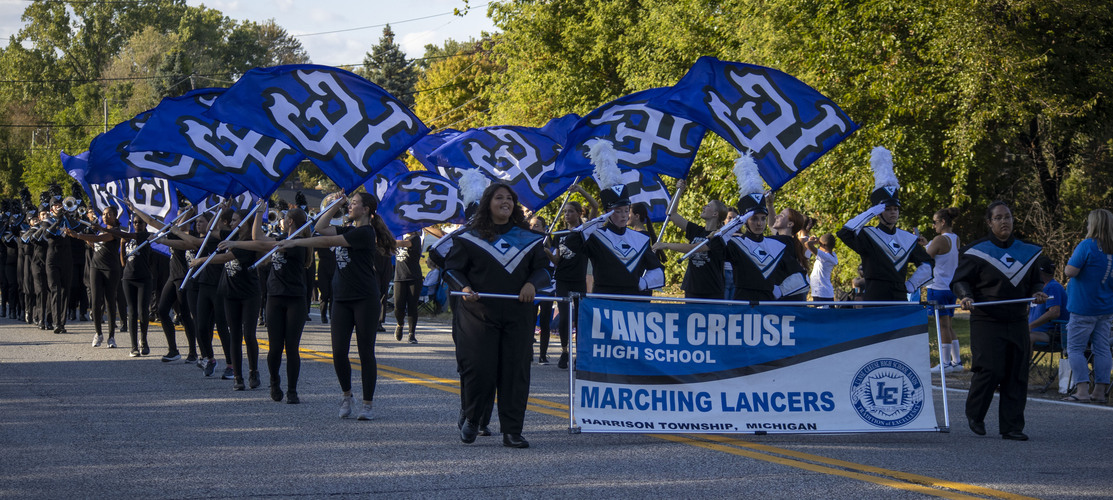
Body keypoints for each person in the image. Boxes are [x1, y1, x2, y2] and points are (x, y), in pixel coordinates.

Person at [444, 183, 550, 448]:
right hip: (478, 314)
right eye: (499, 198)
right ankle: (472, 418)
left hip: (518, 313)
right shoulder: (470, 236)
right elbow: (452, 269)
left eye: (510, 199)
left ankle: (512, 431)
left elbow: (544, 270)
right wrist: (464, 287)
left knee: (515, 372)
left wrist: (531, 284)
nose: (506, 202)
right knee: (480, 369)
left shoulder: (529, 238)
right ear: (487, 203)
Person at [276, 192, 395, 420]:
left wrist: (296, 241)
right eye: (349, 203)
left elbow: (326, 241)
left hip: (364, 298)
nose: (350, 206)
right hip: (341, 298)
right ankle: (347, 395)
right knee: (339, 352)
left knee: (365, 352)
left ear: (367, 209)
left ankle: (367, 404)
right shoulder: (349, 229)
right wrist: (334, 205)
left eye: (354, 203)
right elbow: (321, 227)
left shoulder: (365, 233)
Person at [952, 201, 1048, 440]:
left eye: (1008, 217)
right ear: (989, 222)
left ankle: (1012, 426)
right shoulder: (976, 251)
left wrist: (1037, 292)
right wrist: (966, 296)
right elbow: (959, 281)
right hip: (987, 319)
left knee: (1017, 373)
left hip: (1017, 319)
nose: (1004, 221)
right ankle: (975, 414)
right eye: (999, 218)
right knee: (990, 369)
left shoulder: (1027, 252)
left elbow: (1036, 280)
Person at [222, 203, 311, 404]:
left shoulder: (299, 243)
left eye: (284, 218)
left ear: (289, 221)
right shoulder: (282, 239)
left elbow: (261, 244)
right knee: (275, 347)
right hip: (275, 298)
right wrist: (259, 212)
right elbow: (257, 239)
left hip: (295, 299)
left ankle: (292, 390)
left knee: (292, 347)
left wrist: (237, 245)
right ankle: (274, 381)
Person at [837, 147, 933, 301]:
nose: (893, 212)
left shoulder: (907, 238)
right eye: (888, 209)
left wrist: (911, 285)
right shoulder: (868, 234)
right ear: (879, 212)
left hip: (900, 296)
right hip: (875, 295)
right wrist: (870, 212)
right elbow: (844, 232)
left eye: (896, 209)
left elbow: (928, 264)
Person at [1062, 209, 1113, 403]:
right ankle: (1099, 392)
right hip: (1106, 308)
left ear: (1095, 225)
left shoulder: (1087, 245)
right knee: (1102, 349)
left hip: (1083, 307)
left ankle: (1082, 391)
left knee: (1074, 348)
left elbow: (1070, 271)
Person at [212, 209, 263, 390]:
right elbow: (213, 229)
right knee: (234, 334)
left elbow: (226, 257)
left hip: (249, 293)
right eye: (231, 220)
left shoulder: (250, 243)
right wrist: (223, 208)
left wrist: (202, 260)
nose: (231, 223)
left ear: (245, 223)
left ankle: (253, 371)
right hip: (230, 292)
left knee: (249, 335)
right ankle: (238, 376)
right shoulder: (229, 234)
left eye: (235, 220)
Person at [139, 205, 198, 362]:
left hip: (184, 277)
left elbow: (185, 241)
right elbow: (152, 221)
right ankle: (173, 350)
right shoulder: (173, 232)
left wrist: (191, 210)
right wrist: (133, 209)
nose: (178, 219)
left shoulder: (191, 236)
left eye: (182, 216)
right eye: (178, 216)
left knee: (185, 314)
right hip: (173, 276)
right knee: (163, 310)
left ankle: (193, 352)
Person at [653, 179, 728, 299]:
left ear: (715, 214)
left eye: (708, 206)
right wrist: (679, 191)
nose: (704, 207)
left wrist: (665, 245)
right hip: (692, 288)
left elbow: (693, 248)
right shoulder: (697, 230)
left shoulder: (718, 236)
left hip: (711, 290)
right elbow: (671, 214)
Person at [550, 187, 599, 369]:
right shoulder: (559, 235)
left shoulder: (583, 231)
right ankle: (564, 352)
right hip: (562, 278)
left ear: (579, 213)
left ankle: (580, 354)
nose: (566, 215)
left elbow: (594, 206)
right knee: (563, 318)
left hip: (578, 279)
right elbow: (556, 260)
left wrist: (580, 190)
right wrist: (546, 251)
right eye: (565, 212)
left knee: (580, 318)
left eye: (570, 211)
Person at [65, 206, 123, 349]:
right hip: (96, 267)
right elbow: (95, 244)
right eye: (103, 214)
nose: (105, 216)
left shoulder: (116, 231)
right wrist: (86, 239)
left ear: (115, 216)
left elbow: (99, 239)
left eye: (109, 214)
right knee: (96, 302)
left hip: (111, 269)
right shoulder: (100, 228)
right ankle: (98, 333)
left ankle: (111, 337)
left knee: (110, 302)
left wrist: (77, 235)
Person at [924, 207, 962, 372]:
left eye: (935, 222)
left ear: (943, 222)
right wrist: (927, 244)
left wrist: (923, 247)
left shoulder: (939, 240)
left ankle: (945, 363)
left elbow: (926, 258)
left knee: (942, 327)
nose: (933, 226)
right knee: (949, 325)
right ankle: (957, 362)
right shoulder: (956, 239)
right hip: (950, 286)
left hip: (938, 287)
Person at [529, 215, 556, 364]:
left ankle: (543, 355)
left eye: (536, 225)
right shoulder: (527, 246)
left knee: (545, 322)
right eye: (531, 225)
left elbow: (554, 268)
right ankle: (529, 352)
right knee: (530, 321)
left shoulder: (550, 247)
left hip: (547, 290)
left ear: (544, 229)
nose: (533, 228)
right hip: (532, 289)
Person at [1028, 258, 1067, 351]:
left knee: (1026, 338)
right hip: (1035, 331)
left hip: (1052, 334)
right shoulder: (1035, 288)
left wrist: (1030, 326)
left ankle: (1023, 365)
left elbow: (1054, 312)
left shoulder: (1053, 287)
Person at [392, 230, 423, 344]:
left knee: (412, 306)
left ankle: (411, 334)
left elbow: (403, 244)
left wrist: (385, 241)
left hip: (414, 278)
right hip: (399, 277)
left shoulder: (415, 238)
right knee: (398, 306)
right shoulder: (399, 236)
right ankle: (400, 324)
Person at [806, 233, 838, 302]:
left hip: (821, 293)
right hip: (823, 292)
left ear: (823, 245)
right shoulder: (832, 255)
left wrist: (816, 241)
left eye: (819, 245)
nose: (818, 246)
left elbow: (807, 244)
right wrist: (819, 241)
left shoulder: (825, 257)